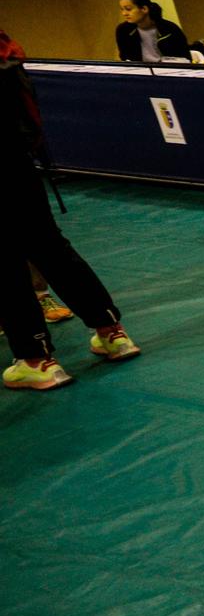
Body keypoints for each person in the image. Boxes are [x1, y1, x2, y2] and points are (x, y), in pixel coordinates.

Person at [1, 25, 142, 390]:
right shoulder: (5, 50)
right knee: (51, 247)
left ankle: (35, 359)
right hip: (19, 163)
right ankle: (112, 332)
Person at [113, 0, 193, 63]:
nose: (124, 13)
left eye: (128, 9)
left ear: (144, 9)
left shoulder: (170, 29)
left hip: (168, 70)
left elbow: (184, 57)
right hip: (140, 71)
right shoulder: (123, 30)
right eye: (122, 9)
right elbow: (125, 57)